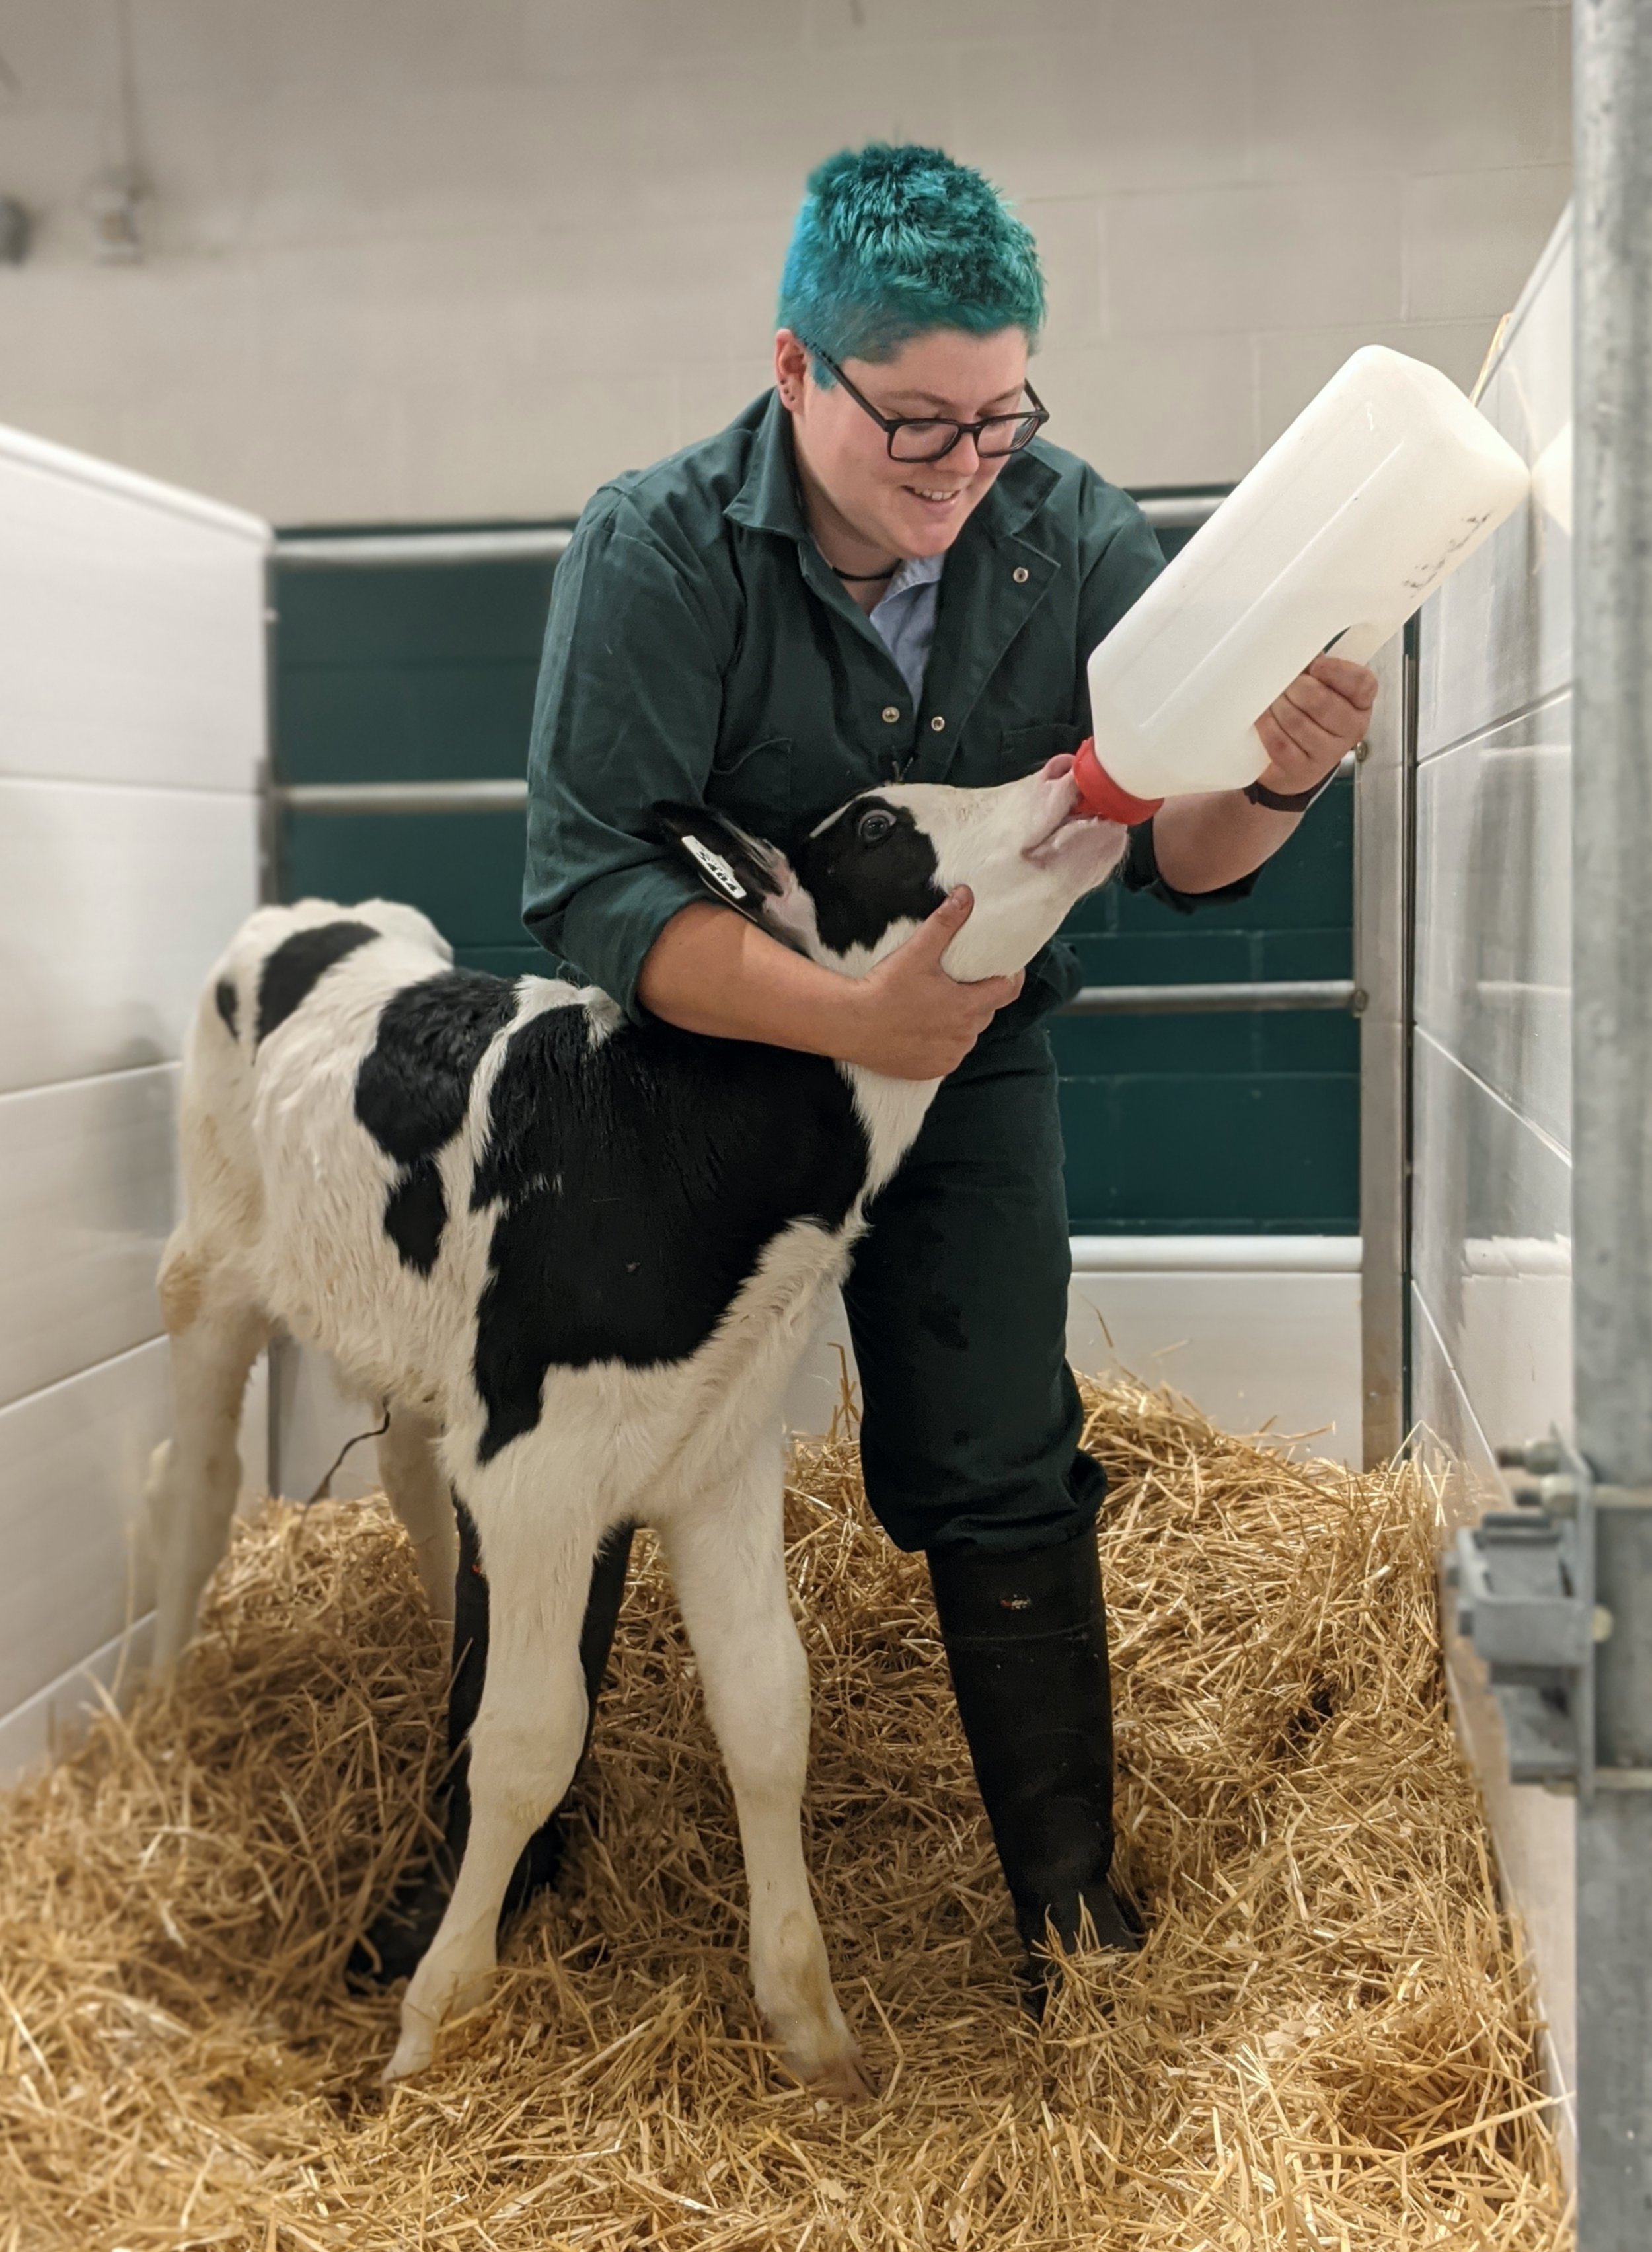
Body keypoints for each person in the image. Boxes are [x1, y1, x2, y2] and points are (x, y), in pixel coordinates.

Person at [513, 143, 1374, 1989]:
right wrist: (837, 1020)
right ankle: (506, 1876)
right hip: (700, 1066)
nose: (964, 469)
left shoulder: (1071, 535)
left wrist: (1287, 768)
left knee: (997, 1459)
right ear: (794, 369)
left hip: (963, 1077)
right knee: (583, 1447)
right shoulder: (652, 546)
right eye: (914, 423)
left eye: (999, 417)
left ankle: (1069, 1912)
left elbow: (1187, 854)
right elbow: (583, 882)